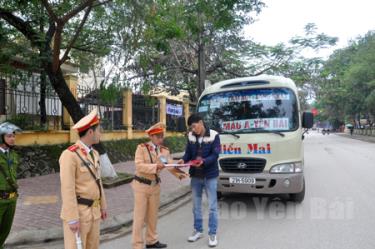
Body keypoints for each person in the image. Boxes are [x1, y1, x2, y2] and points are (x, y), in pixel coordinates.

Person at [132, 122, 188, 249]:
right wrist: (155, 166)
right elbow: (139, 166)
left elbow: (169, 165)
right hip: (141, 185)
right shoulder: (142, 148)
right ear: (151, 136)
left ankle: (151, 241)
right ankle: (137, 245)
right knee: (139, 218)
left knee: (153, 216)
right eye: (158, 136)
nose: (160, 139)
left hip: (155, 186)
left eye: (162, 136)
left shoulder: (164, 151)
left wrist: (179, 169)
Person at [59, 109, 107, 249]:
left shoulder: (95, 154)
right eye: (99, 130)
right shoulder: (70, 155)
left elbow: (99, 182)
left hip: (95, 212)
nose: (100, 133)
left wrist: (103, 205)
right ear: (90, 132)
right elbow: (67, 189)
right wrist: (72, 217)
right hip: (79, 214)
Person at [178, 114, 221, 247]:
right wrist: (182, 160)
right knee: (196, 206)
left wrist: (202, 162)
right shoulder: (191, 136)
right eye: (191, 127)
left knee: (212, 207)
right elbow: (188, 154)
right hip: (195, 176)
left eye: (194, 126)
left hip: (210, 176)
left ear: (201, 122)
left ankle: (212, 233)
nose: (193, 129)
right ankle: (198, 230)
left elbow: (215, 155)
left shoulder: (214, 135)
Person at [0, 122, 22, 249]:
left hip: (11, 199)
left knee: (5, 231)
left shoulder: (13, 154)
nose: (13, 139)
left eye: (13, 136)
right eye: (9, 136)